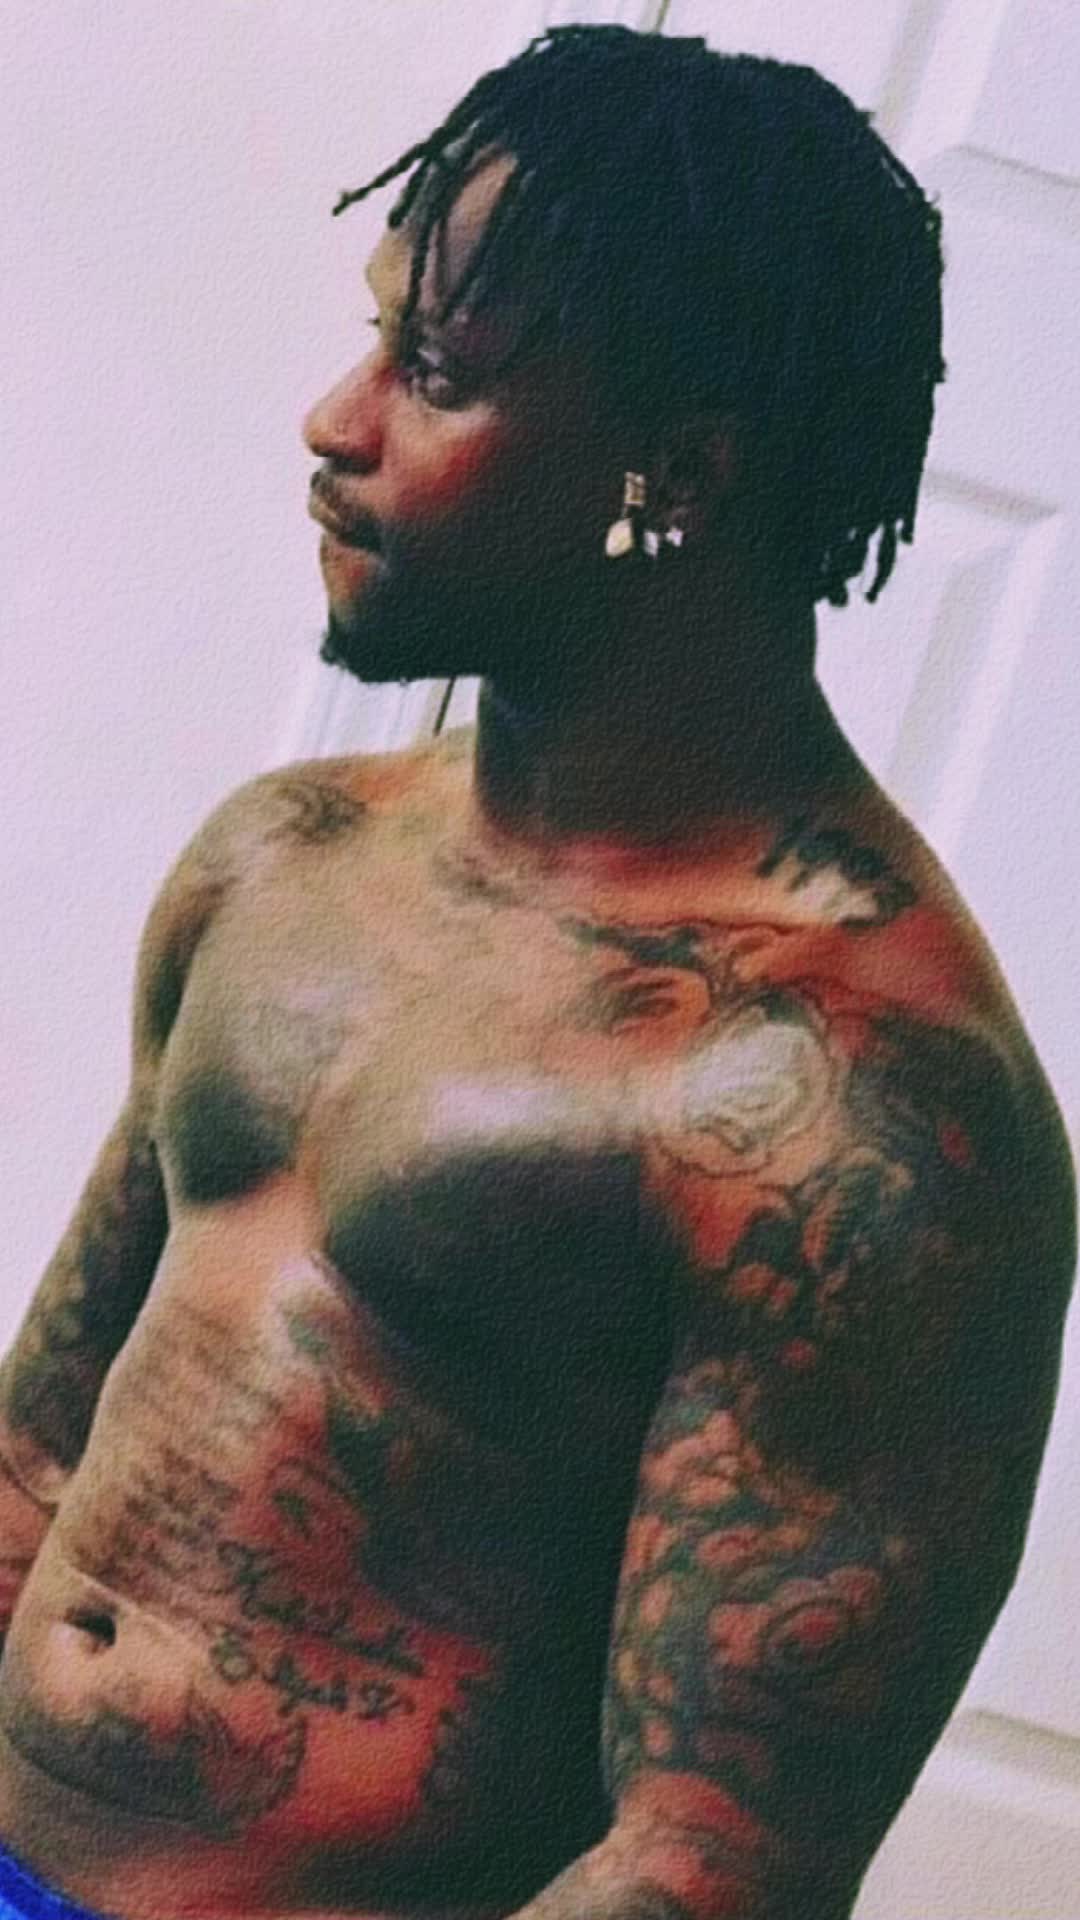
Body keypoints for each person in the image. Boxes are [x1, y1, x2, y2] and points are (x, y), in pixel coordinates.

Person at [0, 24, 1072, 1920]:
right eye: (377, 336)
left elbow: (705, 1867)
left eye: (437, 375)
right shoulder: (286, 860)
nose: (337, 420)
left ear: (679, 472)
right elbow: (38, 1443)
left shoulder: (860, 1109)